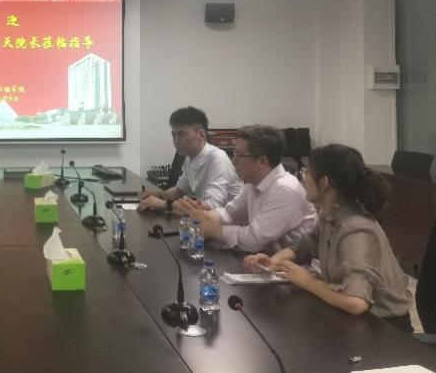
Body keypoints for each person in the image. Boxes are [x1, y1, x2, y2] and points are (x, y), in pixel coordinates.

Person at [243, 144, 413, 331]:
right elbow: (303, 248)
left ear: (324, 183)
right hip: (353, 320)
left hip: (384, 328)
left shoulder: (356, 229)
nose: (303, 178)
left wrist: (308, 282)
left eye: (307, 173)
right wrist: (273, 262)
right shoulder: (330, 214)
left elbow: (355, 302)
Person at [178, 125, 317, 253]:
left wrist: (210, 228)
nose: (234, 161)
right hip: (266, 260)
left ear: (262, 161)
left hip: (295, 266)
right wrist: (201, 215)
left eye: (239, 155)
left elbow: (253, 240)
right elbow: (230, 213)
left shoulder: (284, 190)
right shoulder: (253, 184)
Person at [138, 106, 241, 214]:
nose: (176, 141)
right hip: (209, 219)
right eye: (173, 135)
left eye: (181, 134)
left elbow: (210, 207)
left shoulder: (217, 158)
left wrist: (164, 205)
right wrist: (158, 195)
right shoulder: (190, 157)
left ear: (201, 135)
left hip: (232, 221)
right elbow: (179, 190)